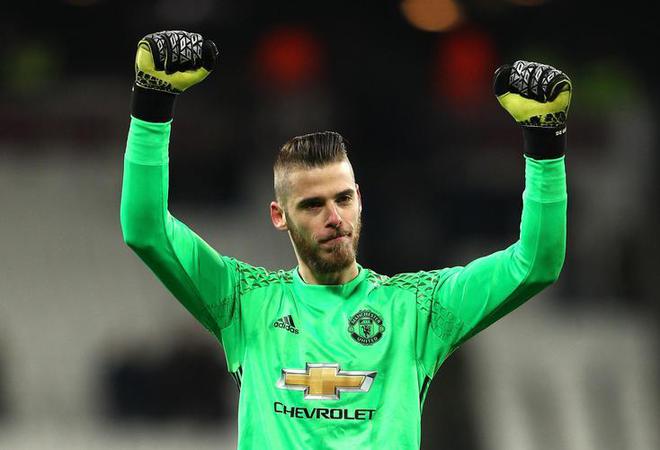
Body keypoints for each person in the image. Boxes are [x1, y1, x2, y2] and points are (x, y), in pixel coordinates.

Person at [120, 30, 570, 449]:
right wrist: (152, 104)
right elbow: (145, 230)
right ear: (279, 216)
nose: (334, 218)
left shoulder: (417, 310)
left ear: (360, 201)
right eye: (312, 205)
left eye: (343, 199)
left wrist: (545, 143)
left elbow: (535, 264)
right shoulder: (244, 303)